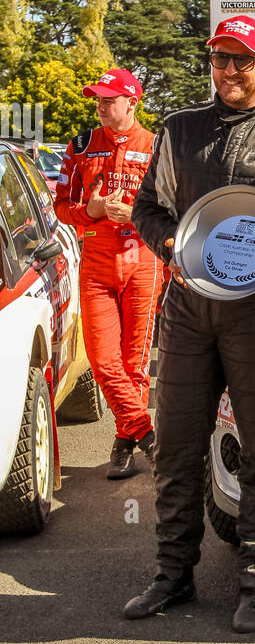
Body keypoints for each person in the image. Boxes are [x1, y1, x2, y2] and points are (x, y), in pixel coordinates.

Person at [123, 15, 255, 633]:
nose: (229, 70)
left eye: (243, 60)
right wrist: (175, 249)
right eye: (220, 58)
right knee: (176, 449)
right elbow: (148, 209)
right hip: (189, 310)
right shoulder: (179, 129)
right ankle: (172, 575)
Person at [54, 69, 162, 479]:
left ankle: (124, 444)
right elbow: (62, 206)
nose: (100, 106)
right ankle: (149, 436)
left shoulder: (155, 146)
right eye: (97, 99)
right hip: (97, 261)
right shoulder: (80, 145)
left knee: (135, 363)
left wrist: (136, 215)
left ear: (131, 102)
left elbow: (172, 209)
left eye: (108, 99)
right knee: (102, 361)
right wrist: (92, 212)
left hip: (143, 260)